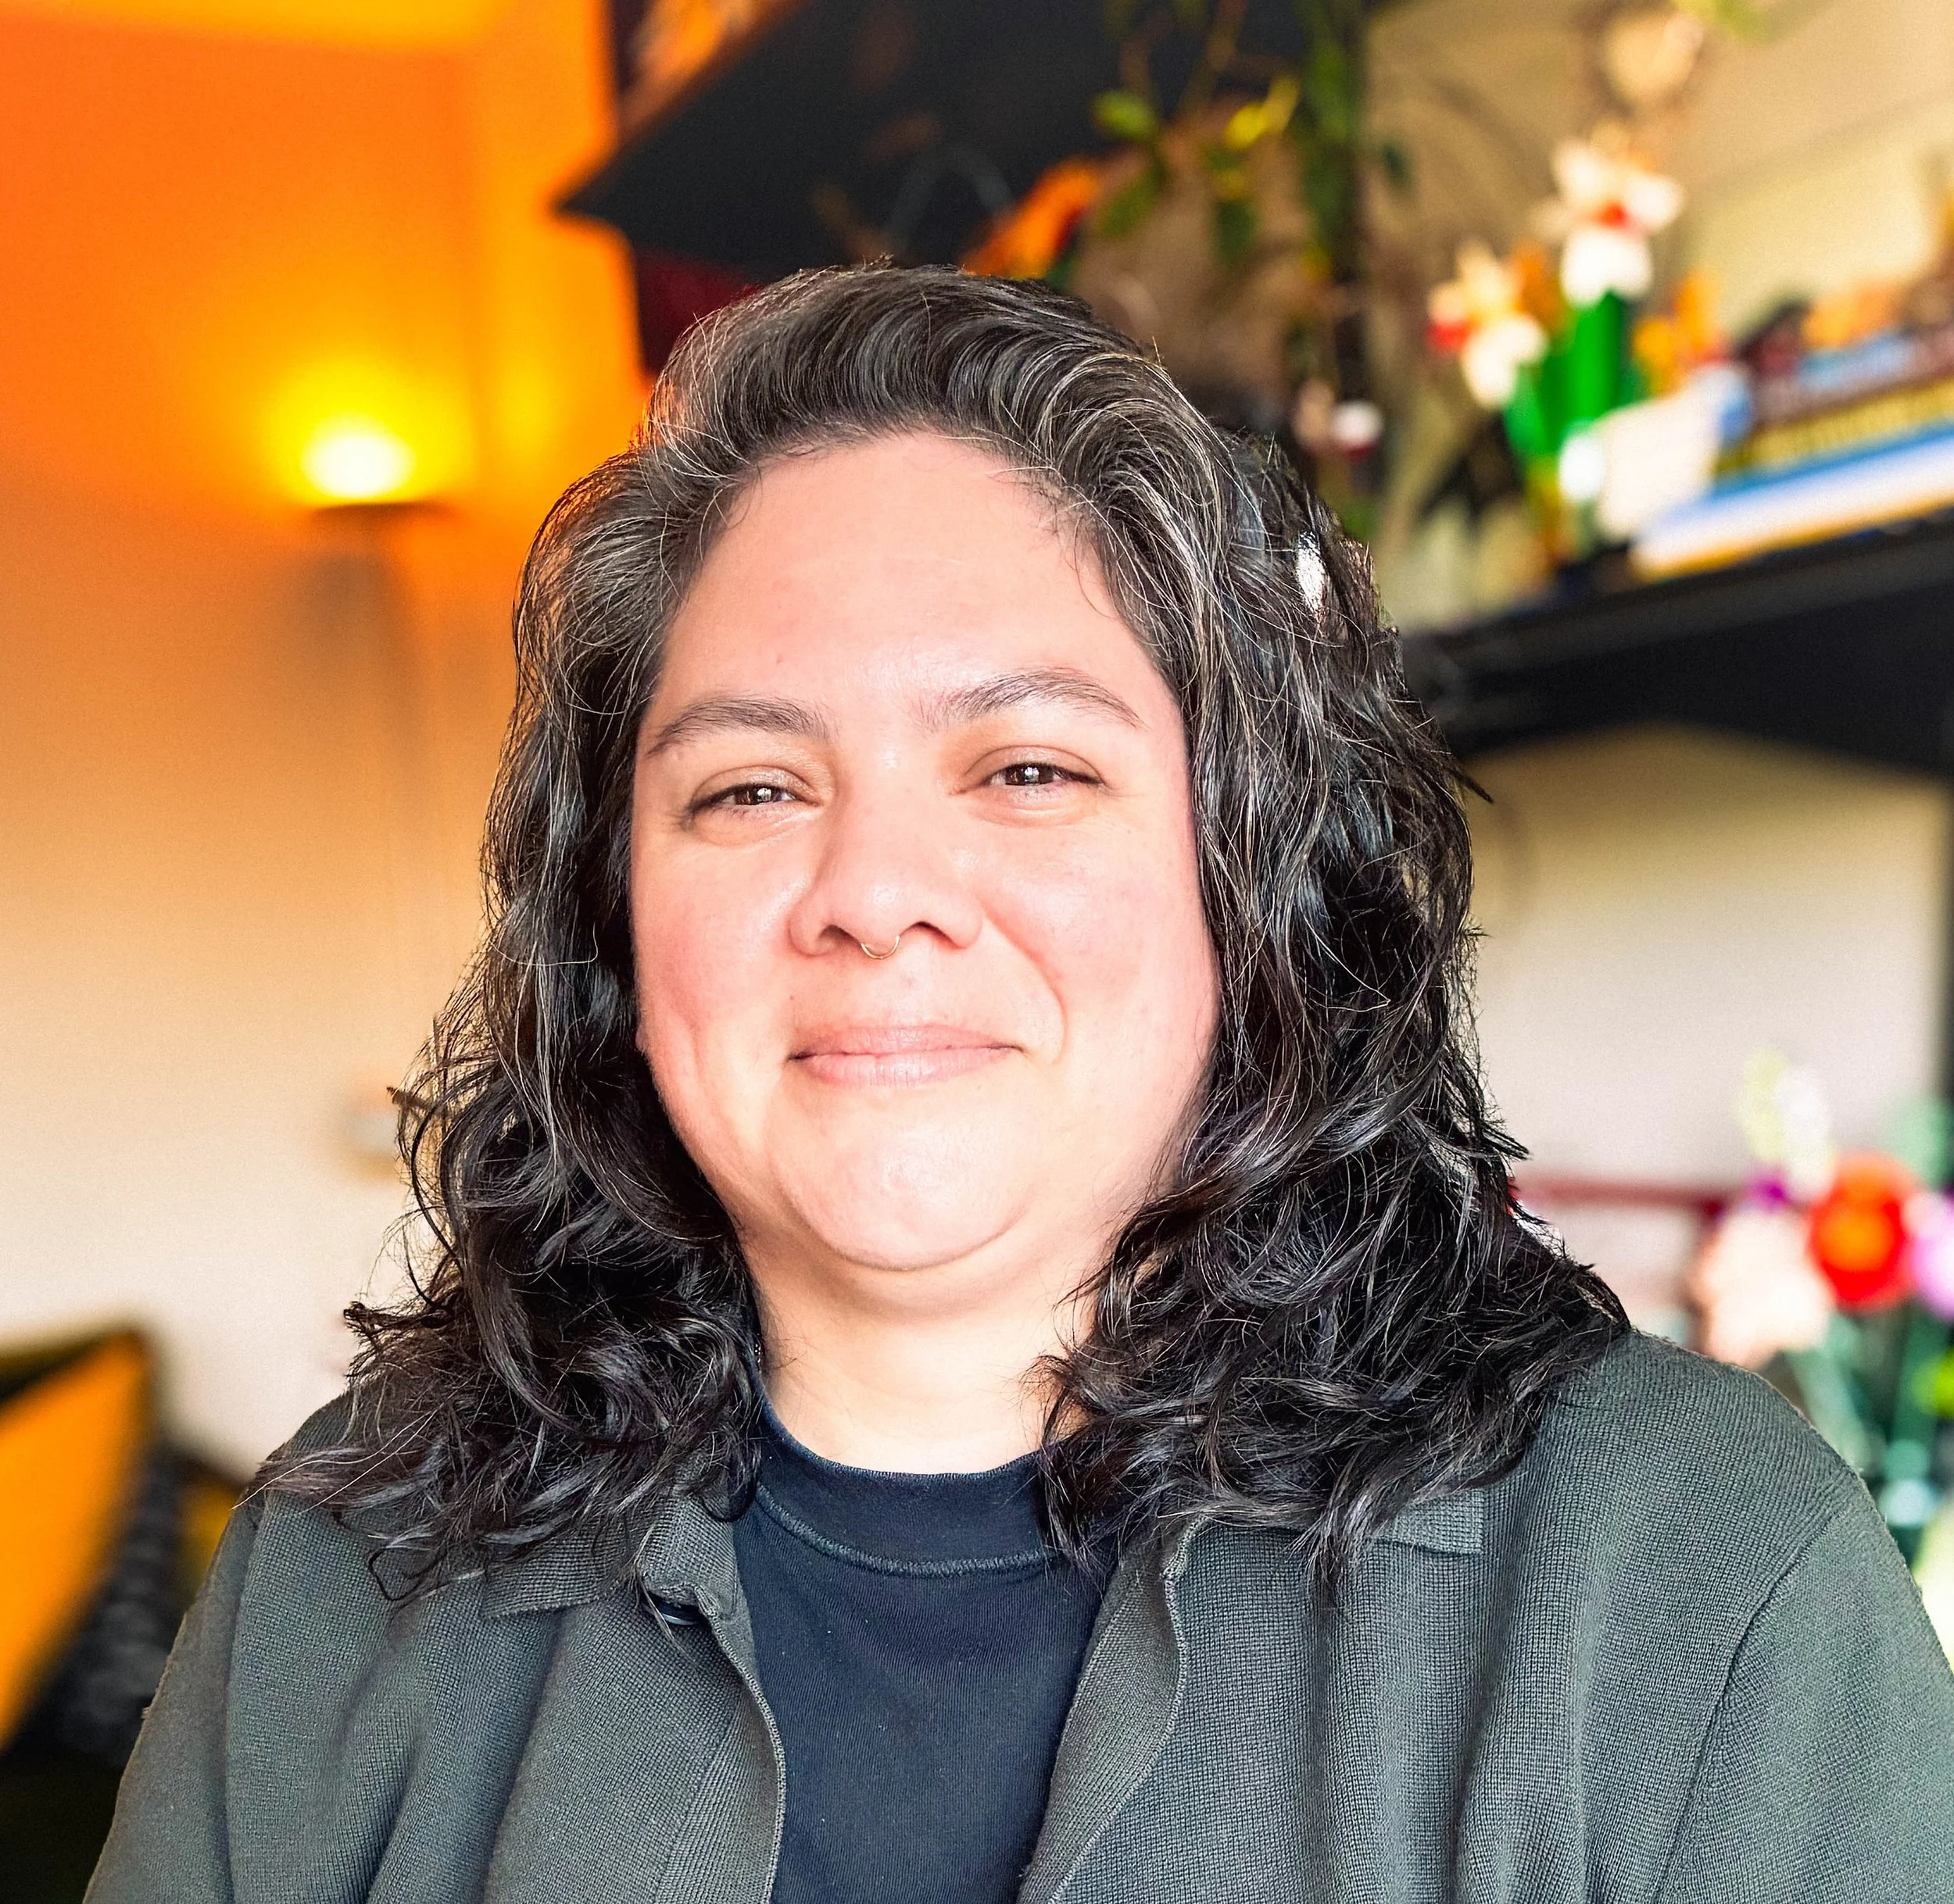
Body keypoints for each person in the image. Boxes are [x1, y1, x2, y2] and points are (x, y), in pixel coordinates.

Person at [92, 266, 1952, 1904]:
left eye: (1027, 768)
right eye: (748, 788)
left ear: (1243, 876)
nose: (874, 894)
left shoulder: (1692, 1586)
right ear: (613, 920)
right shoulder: (343, 1565)